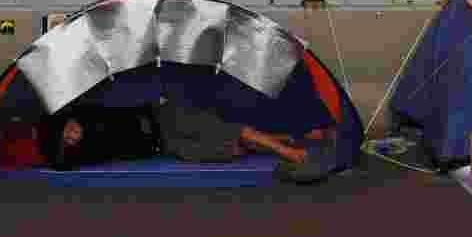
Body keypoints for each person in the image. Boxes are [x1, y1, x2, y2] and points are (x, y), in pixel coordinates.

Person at [38, 97, 334, 174]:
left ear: (70, 120)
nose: (74, 136)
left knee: (229, 131)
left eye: (69, 131)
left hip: (166, 117)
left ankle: (291, 151)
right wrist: (58, 141)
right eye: (69, 141)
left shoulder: (90, 112)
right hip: (167, 145)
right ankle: (288, 139)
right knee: (232, 151)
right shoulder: (84, 151)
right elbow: (59, 162)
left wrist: (60, 121)